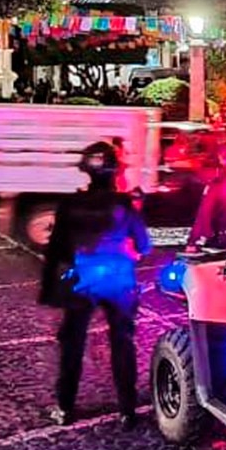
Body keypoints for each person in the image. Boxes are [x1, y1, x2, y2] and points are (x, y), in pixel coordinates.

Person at [39, 141, 150, 427]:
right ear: (115, 171)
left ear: (86, 171)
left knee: (72, 344)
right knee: (122, 343)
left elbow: (56, 251)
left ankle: (65, 408)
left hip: (82, 282)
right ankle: (127, 411)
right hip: (119, 281)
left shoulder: (69, 205)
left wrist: (50, 289)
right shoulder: (125, 204)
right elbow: (145, 245)